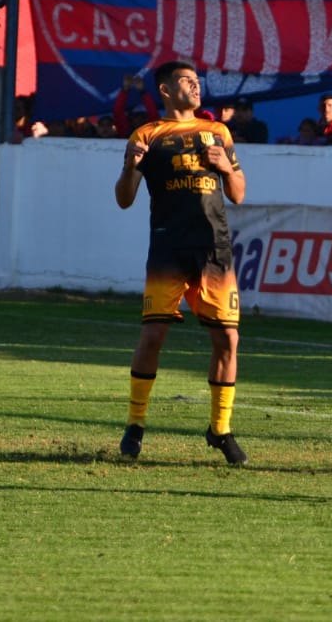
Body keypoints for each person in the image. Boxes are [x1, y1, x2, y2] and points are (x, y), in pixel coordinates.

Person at [113, 60, 249, 465]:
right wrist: (129, 167)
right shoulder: (147, 134)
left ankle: (220, 430)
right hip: (168, 249)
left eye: (196, 80)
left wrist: (224, 167)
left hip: (214, 249)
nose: (196, 86)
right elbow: (124, 199)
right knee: (153, 336)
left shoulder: (218, 132)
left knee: (227, 340)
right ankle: (135, 423)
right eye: (187, 81)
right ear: (166, 90)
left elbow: (238, 192)